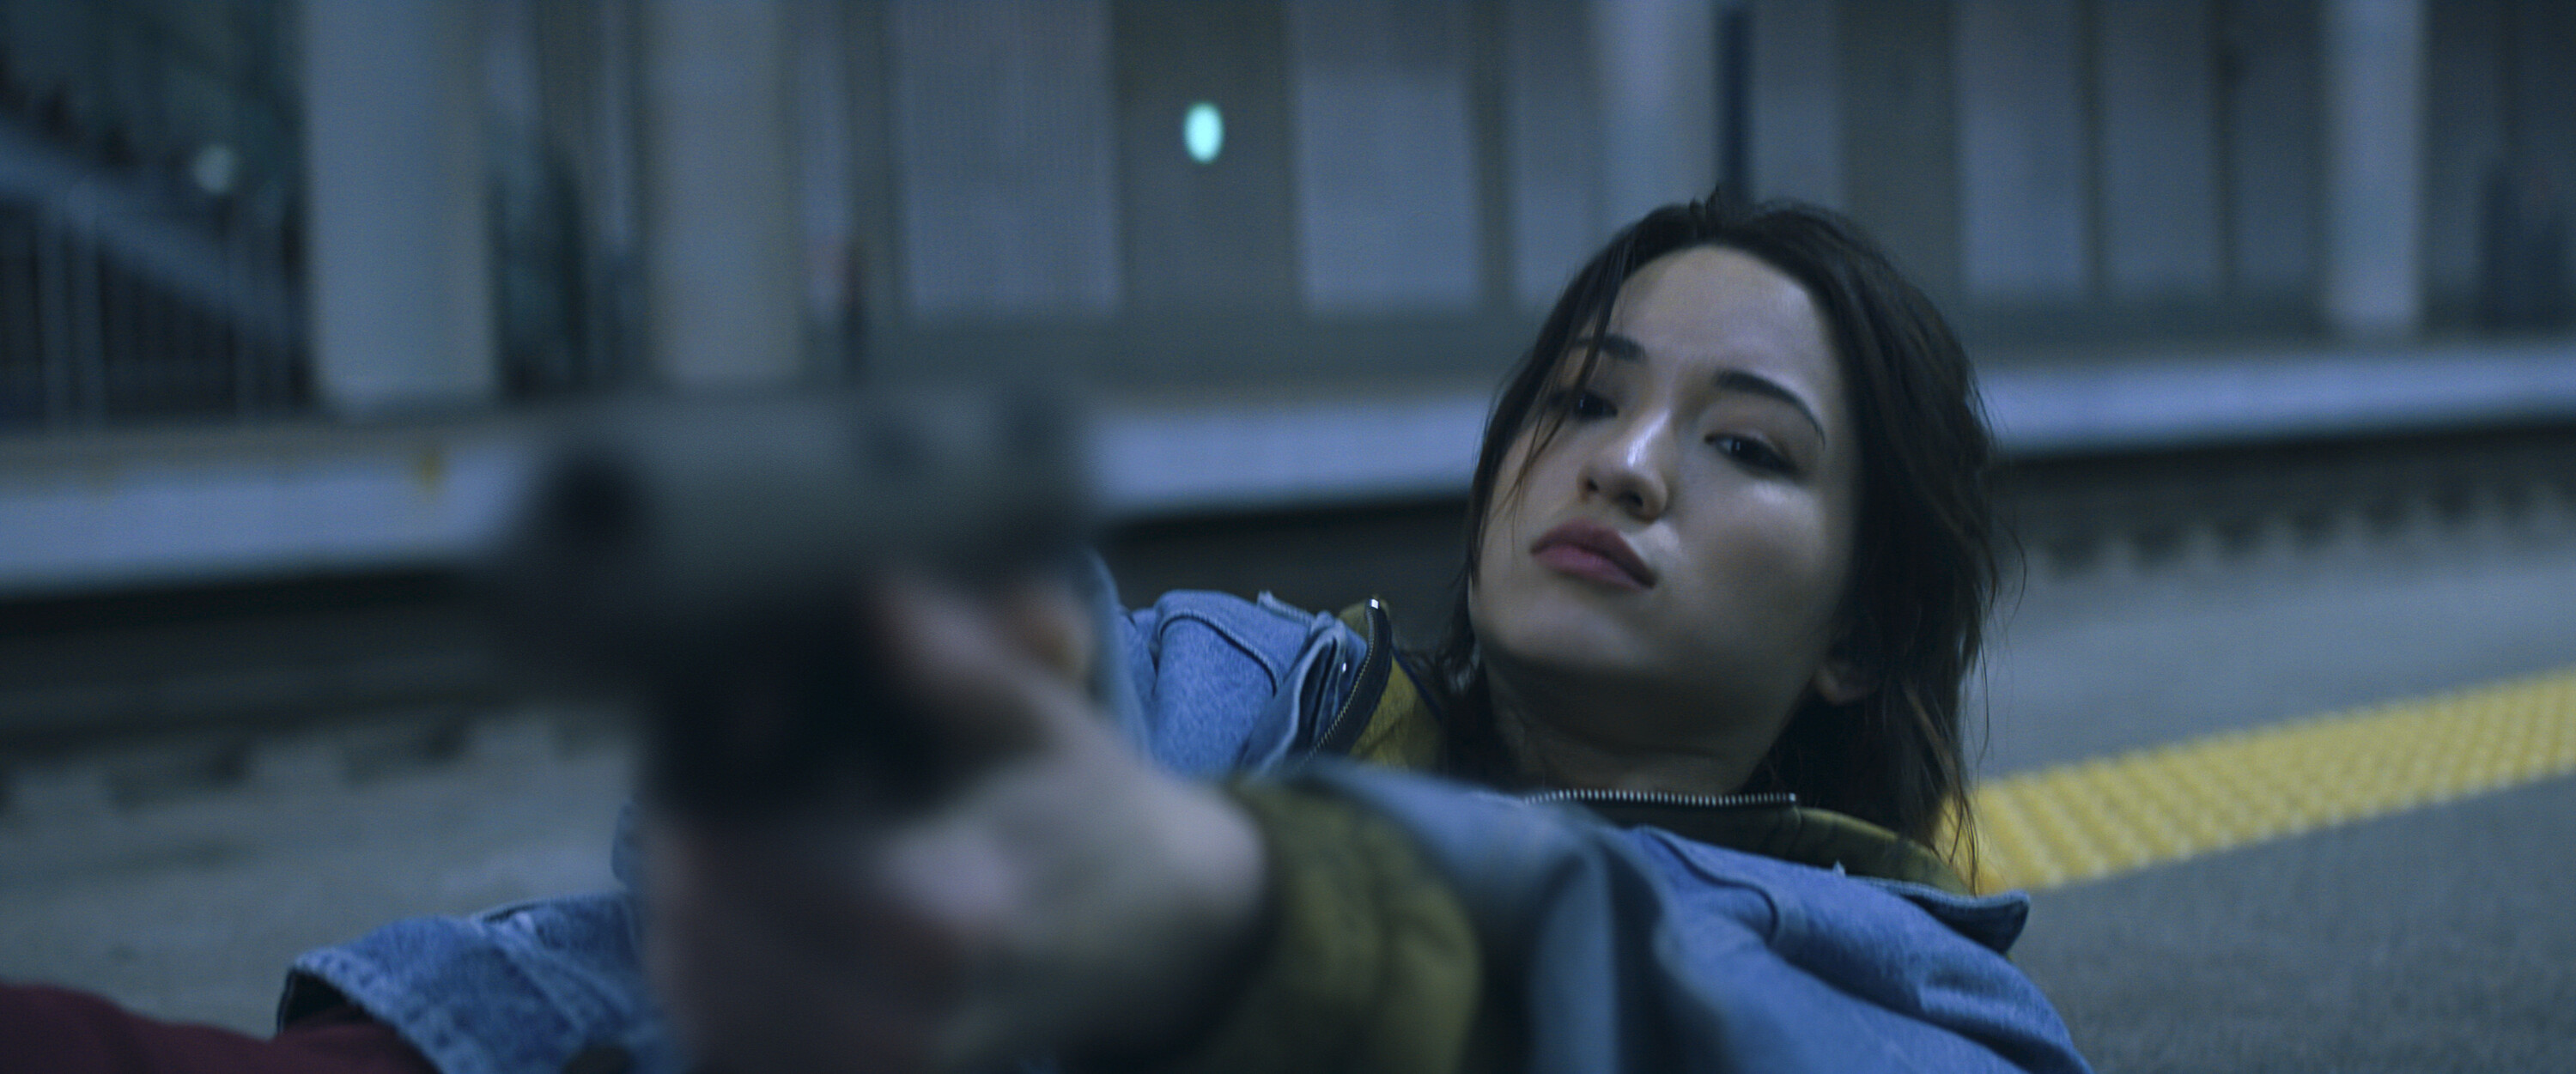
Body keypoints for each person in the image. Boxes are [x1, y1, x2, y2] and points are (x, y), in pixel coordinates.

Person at [3, 190, 2093, 1073]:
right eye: (1582, 394)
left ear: (1859, 629)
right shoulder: (1252, 683)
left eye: (1744, 445)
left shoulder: (1898, 983)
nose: (1622, 464)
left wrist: (1259, 917)